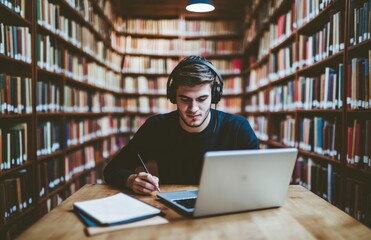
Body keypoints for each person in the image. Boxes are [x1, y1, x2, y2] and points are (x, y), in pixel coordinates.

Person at [103, 56, 259, 194]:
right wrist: (131, 180)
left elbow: (259, 177)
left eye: (202, 99)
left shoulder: (238, 128)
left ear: (215, 96)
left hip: (227, 205)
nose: (193, 109)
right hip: (173, 210)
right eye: (185, 99)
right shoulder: (156, 128)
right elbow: (112, 169)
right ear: (173, 97)